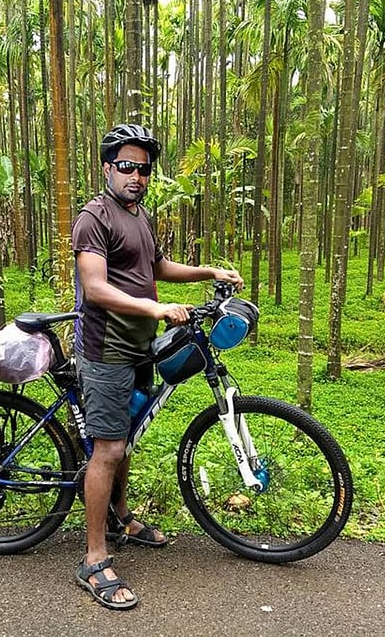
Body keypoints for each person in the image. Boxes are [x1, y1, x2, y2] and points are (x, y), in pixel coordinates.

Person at [71, 123, 244, 610]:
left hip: (139, 347)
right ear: (108, 167)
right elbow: (97, 287)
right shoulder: (94, 217)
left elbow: (158, 268)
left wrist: (208, 270)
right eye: (127, 166)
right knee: (107, 449)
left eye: (144, 169)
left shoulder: (139, 216)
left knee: (126, 438)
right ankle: (93, 559)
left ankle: (120, 517)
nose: (136, 176)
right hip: (107, 350)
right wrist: (156, 309)